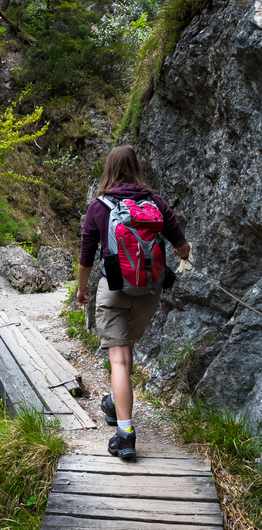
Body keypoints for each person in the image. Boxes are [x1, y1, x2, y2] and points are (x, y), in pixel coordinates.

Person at [77, 145, 191, 459]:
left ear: (109, 169)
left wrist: (82, 289)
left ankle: (125, 435)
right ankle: (115, 402)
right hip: (148, 292)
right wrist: (184, 256)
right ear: (136, 168)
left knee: (119, 359)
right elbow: (182, 248)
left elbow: (87, 256)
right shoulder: (155, 203)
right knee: (127, 352)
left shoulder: (99, 207)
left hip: (113, 288)